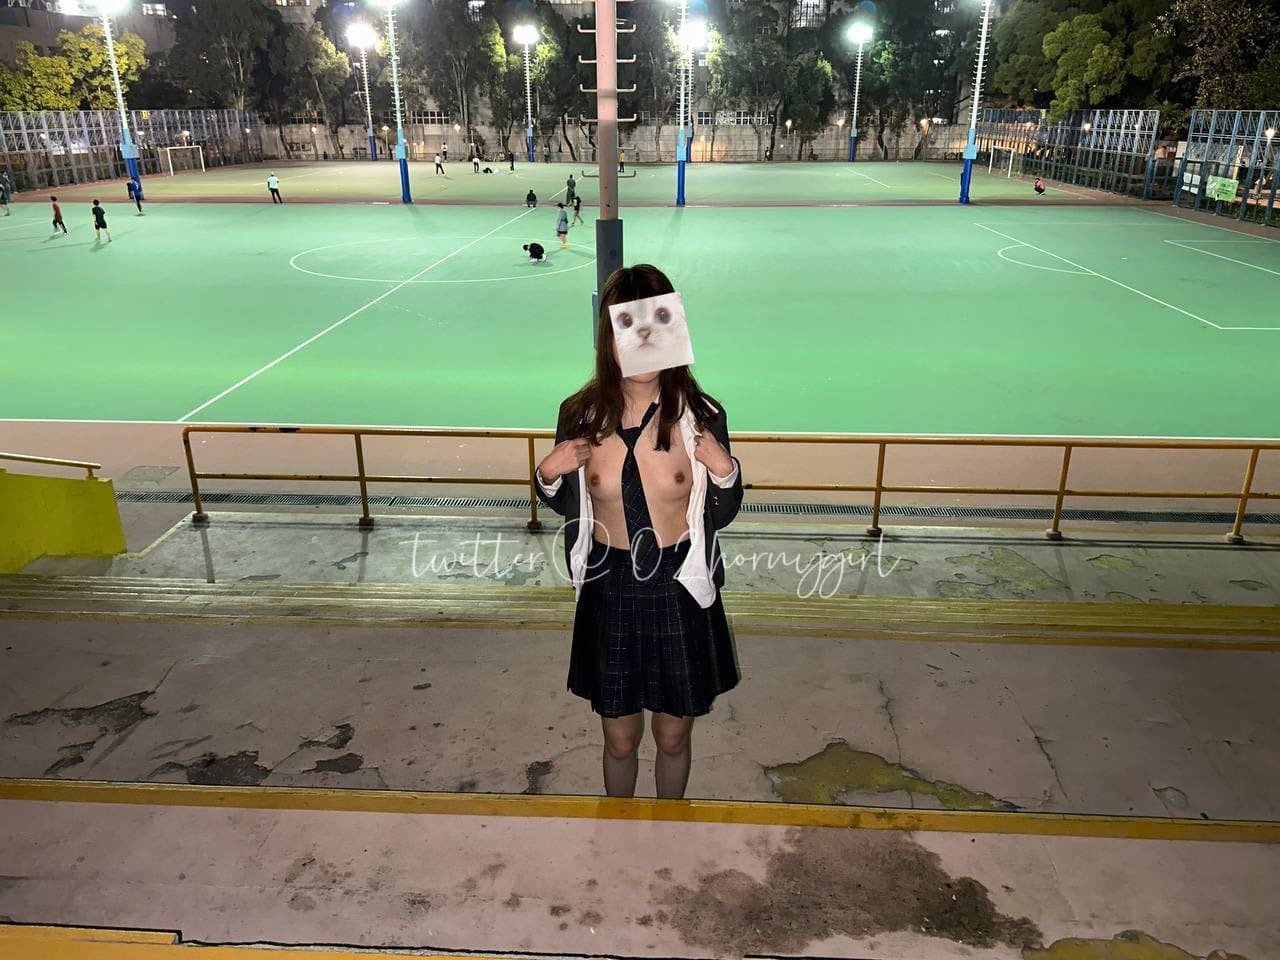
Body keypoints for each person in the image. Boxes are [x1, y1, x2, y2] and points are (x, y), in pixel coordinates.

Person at [535, 264, 742, 800]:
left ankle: (669, 827)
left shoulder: (701, 415)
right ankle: (619, 827)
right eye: (630, 326)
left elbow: (721, 513)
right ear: (611, 337)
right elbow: (566, 506)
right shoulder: (579, 414)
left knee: (673, 736)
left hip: (680, 582)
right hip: (610, 581)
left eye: (656, 324)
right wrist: (549, 474)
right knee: (620, 738)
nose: (644, 338)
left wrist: (725, 472)